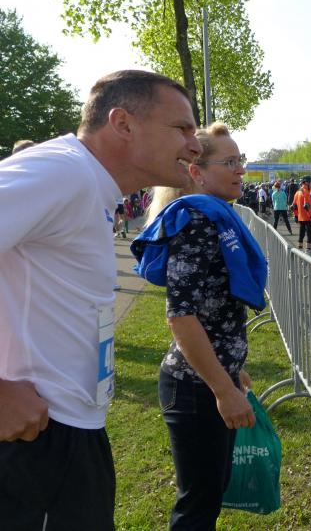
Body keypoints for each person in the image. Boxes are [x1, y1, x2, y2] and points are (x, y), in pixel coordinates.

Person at [0, 69, 202, 530]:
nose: (195, 146)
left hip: (71, 433)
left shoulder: (88, 182)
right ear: (123, 123)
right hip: (36, 440)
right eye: (181, 128)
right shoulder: (64, 171)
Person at [131, 122, 266, 529]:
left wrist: (233, 368)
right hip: (195, 388)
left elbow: (212, 310)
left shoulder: (215, 217)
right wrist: (223, 390)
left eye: (240, 160)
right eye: (230, 162)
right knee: (198, 505)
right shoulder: (197, 222)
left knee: (209, 494)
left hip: (210, 379)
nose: (241, 169)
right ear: (196, 172)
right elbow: (181, 316)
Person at [292, 175, 311, 254]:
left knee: (301, 233)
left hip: (300, 217)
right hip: (307, 217)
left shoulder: (297, 192)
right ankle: (308, 251)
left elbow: (294, 206)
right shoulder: (306, 192)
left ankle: (300, 250)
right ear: (307, 183)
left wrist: (296, 215)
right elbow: (306, 206)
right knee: (309, 234)